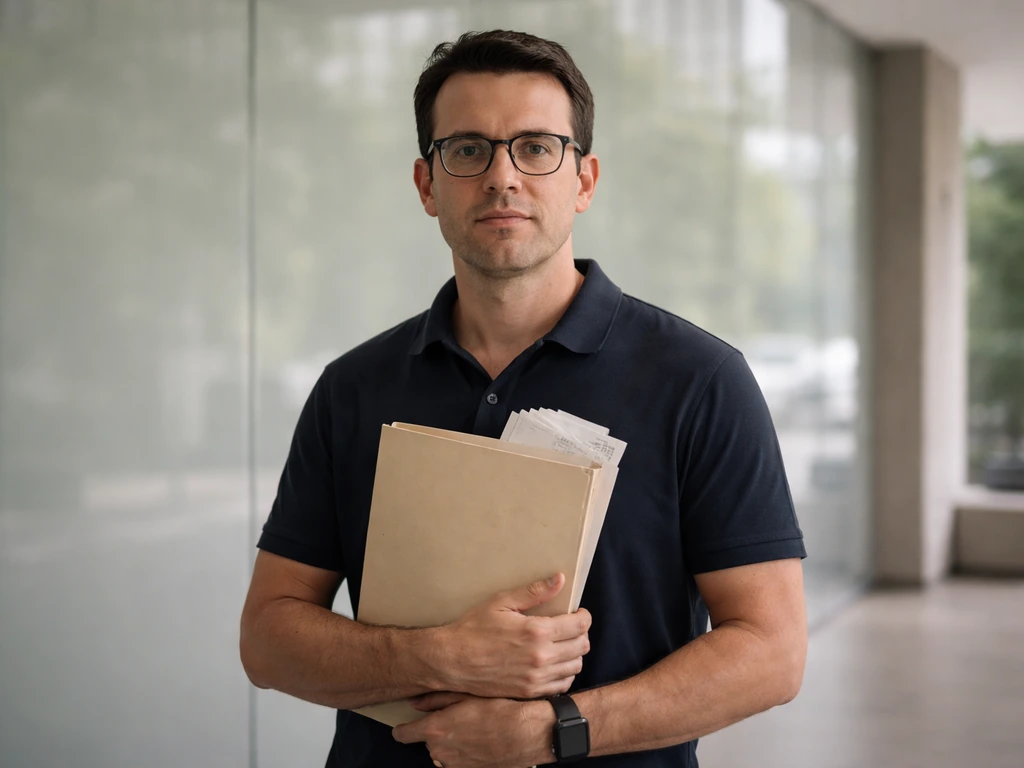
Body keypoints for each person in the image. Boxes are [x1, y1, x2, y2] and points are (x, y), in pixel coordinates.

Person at [240, 29, 807, 768]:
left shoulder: (700, 381)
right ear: (426, 184)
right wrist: (442, 657)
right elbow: (268, 642)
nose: (502, 176)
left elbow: (773, 650)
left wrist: (558, 729)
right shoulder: (353, 388)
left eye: (537, 147)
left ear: (585, 179)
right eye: (468, 149)